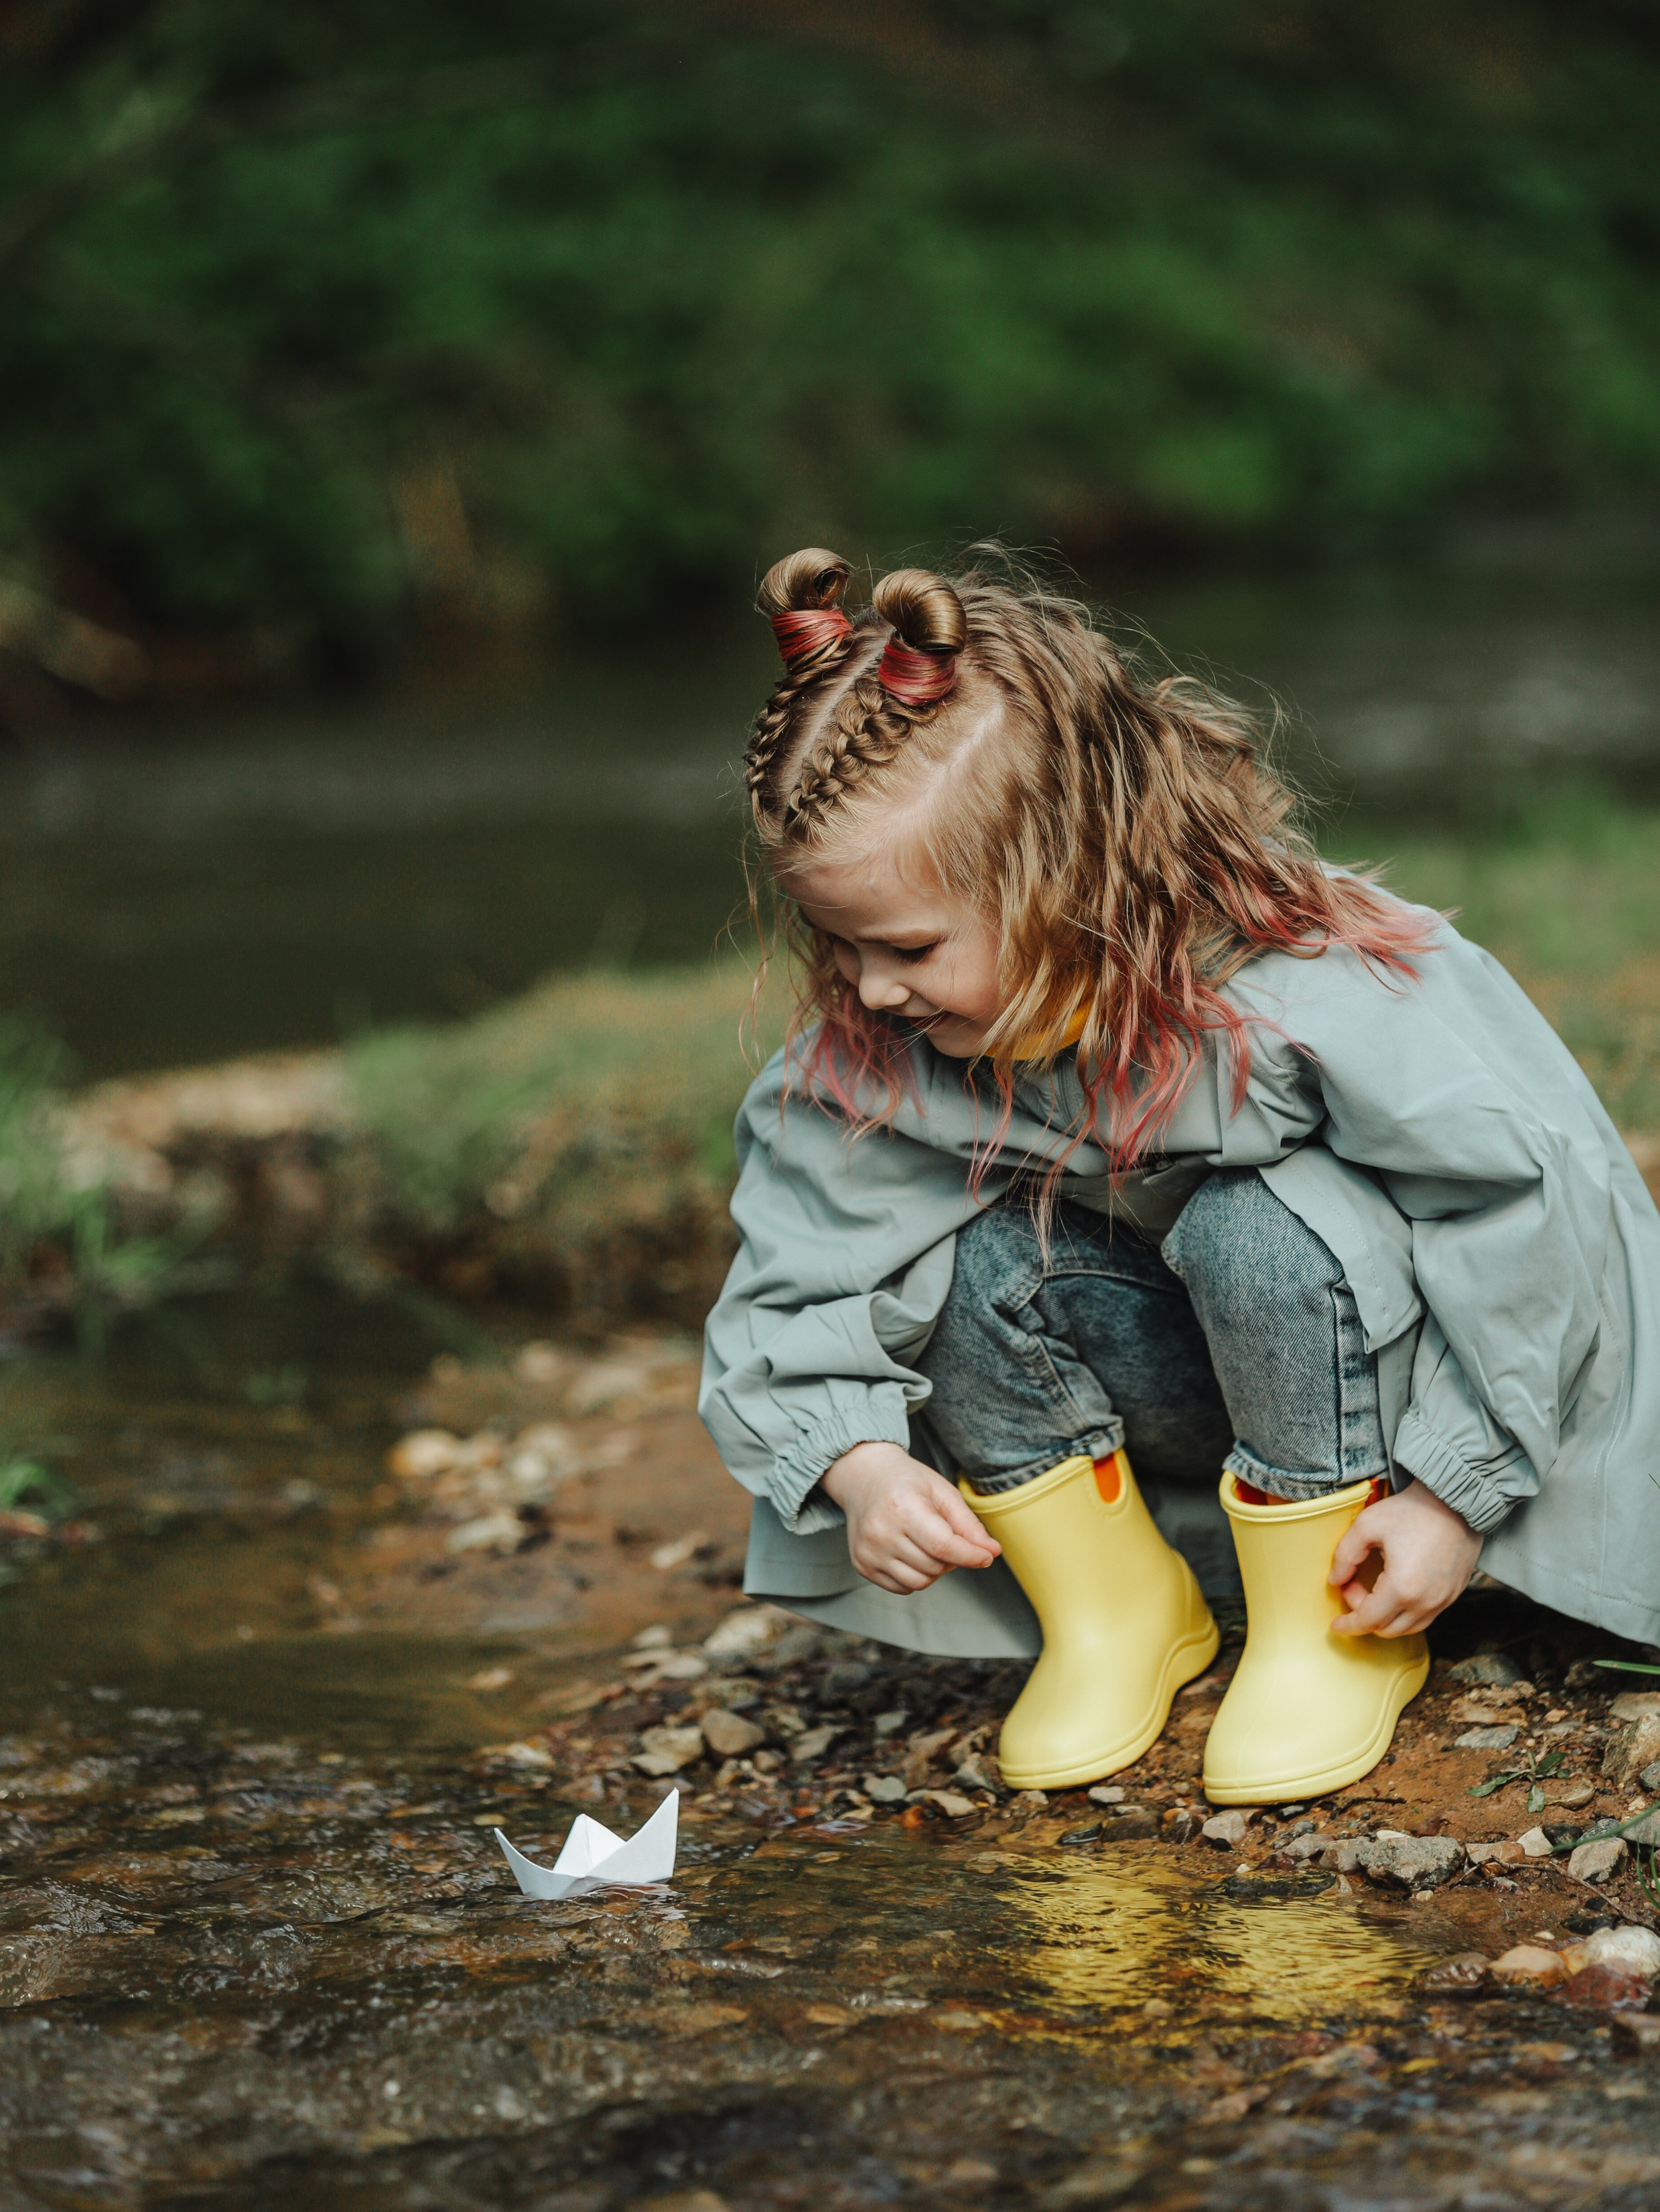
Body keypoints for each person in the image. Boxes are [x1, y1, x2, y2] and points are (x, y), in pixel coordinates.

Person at [699, 547, 1660, 1803]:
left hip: (1390, 1418)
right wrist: (860, 1464)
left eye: (909, 946)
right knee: (967, 1253)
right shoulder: (888, 1050)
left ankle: (1330, 1629)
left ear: (1068, 874)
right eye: (839, 946)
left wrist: (1452, 1495)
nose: (873, 986)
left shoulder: (1317, 993)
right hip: (1179, 1410)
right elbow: (797, 1263)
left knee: (1256, 1220)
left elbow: (1536, 1226)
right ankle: (1119, 1609)